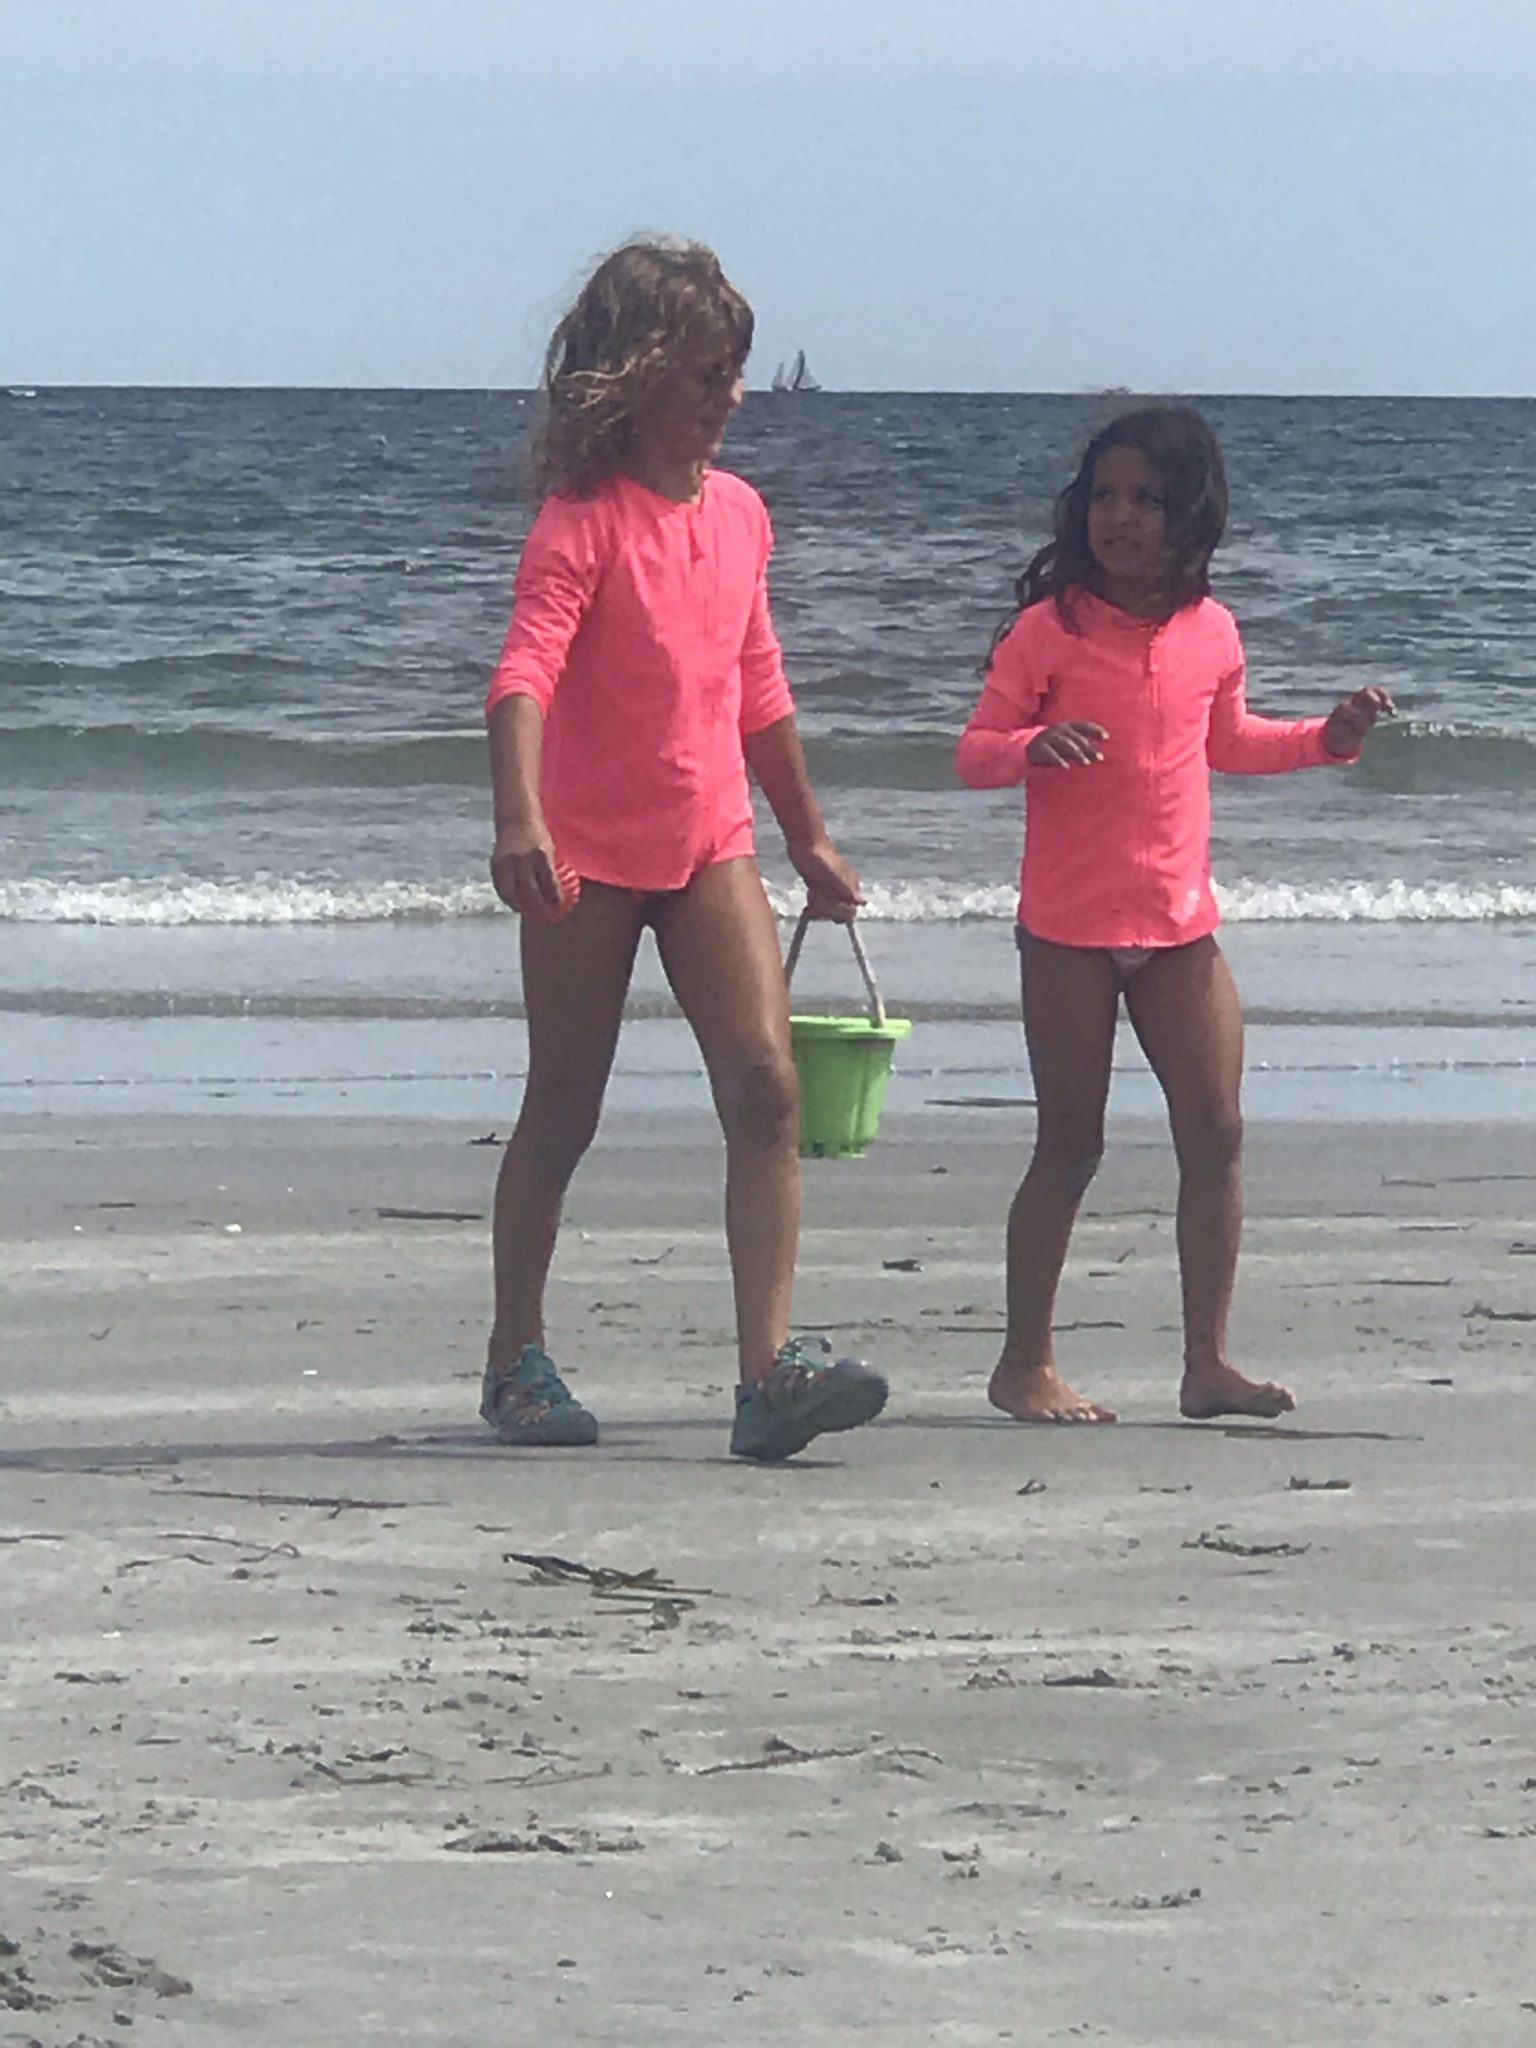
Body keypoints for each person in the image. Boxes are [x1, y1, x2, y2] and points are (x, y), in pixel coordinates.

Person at [480, 236, 888, 1460]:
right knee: (564, 1105)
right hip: (585, 857)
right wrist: (519, 819)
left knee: (767, 1086)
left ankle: (768, 1372)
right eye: (709, 375)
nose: (732, 397)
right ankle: (514, 1358)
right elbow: (522, 675)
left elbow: (758, 683)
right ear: (638, 376)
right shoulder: (583, 521)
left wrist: (808, 836)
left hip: (711, 842)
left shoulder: (742, 513)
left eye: (735, 373)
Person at [956, 405, 1392, 1425]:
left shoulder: (1213, 630)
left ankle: (1207, 1365)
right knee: (1071, 1144)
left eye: (1147, 499)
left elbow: (1228, 742)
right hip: (1068, 930)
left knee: (1218, 1132)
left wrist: (1328, 738)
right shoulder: (1048, 629)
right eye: (1105, 496)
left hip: (1179, 926)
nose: (1121, 517)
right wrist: (1028, 745)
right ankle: (1024, 1364)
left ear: (1190, 514)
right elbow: (973, 751)